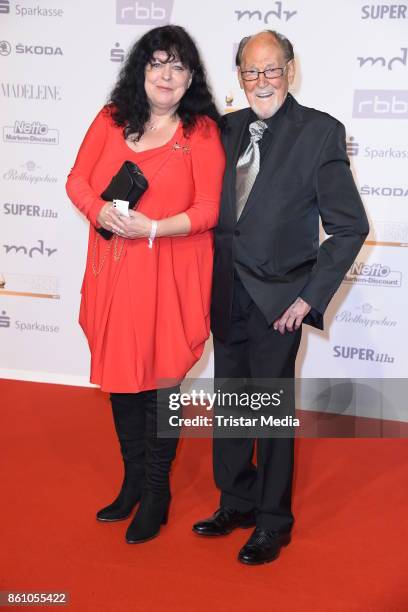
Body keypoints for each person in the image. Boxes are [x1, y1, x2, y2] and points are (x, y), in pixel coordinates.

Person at [192, 30, 369, 564]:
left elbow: (349, 227)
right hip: (225, 293)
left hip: (279, 304)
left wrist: (307, 298)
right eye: (250, 71)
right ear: (239, 76)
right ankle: (237, 501)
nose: (261, 81)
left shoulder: (320, 132)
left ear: (290, 71)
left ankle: (272, 521)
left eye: (271, 70)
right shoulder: (224, 129)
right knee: (232, 409)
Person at [66, 25, 225, 544]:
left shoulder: (199, 131)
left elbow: (207, 210)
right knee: (121, 378)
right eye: (158, 62)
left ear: (190, 79)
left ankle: (158, 490)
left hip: (171, 272)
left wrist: (155, 227)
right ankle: (133, 479)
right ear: (141, 68)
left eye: (178, 66)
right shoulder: (112, 119)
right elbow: (77, 180)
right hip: (114, 267)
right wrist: (100, 213)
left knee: (160, 385)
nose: (166, 74)